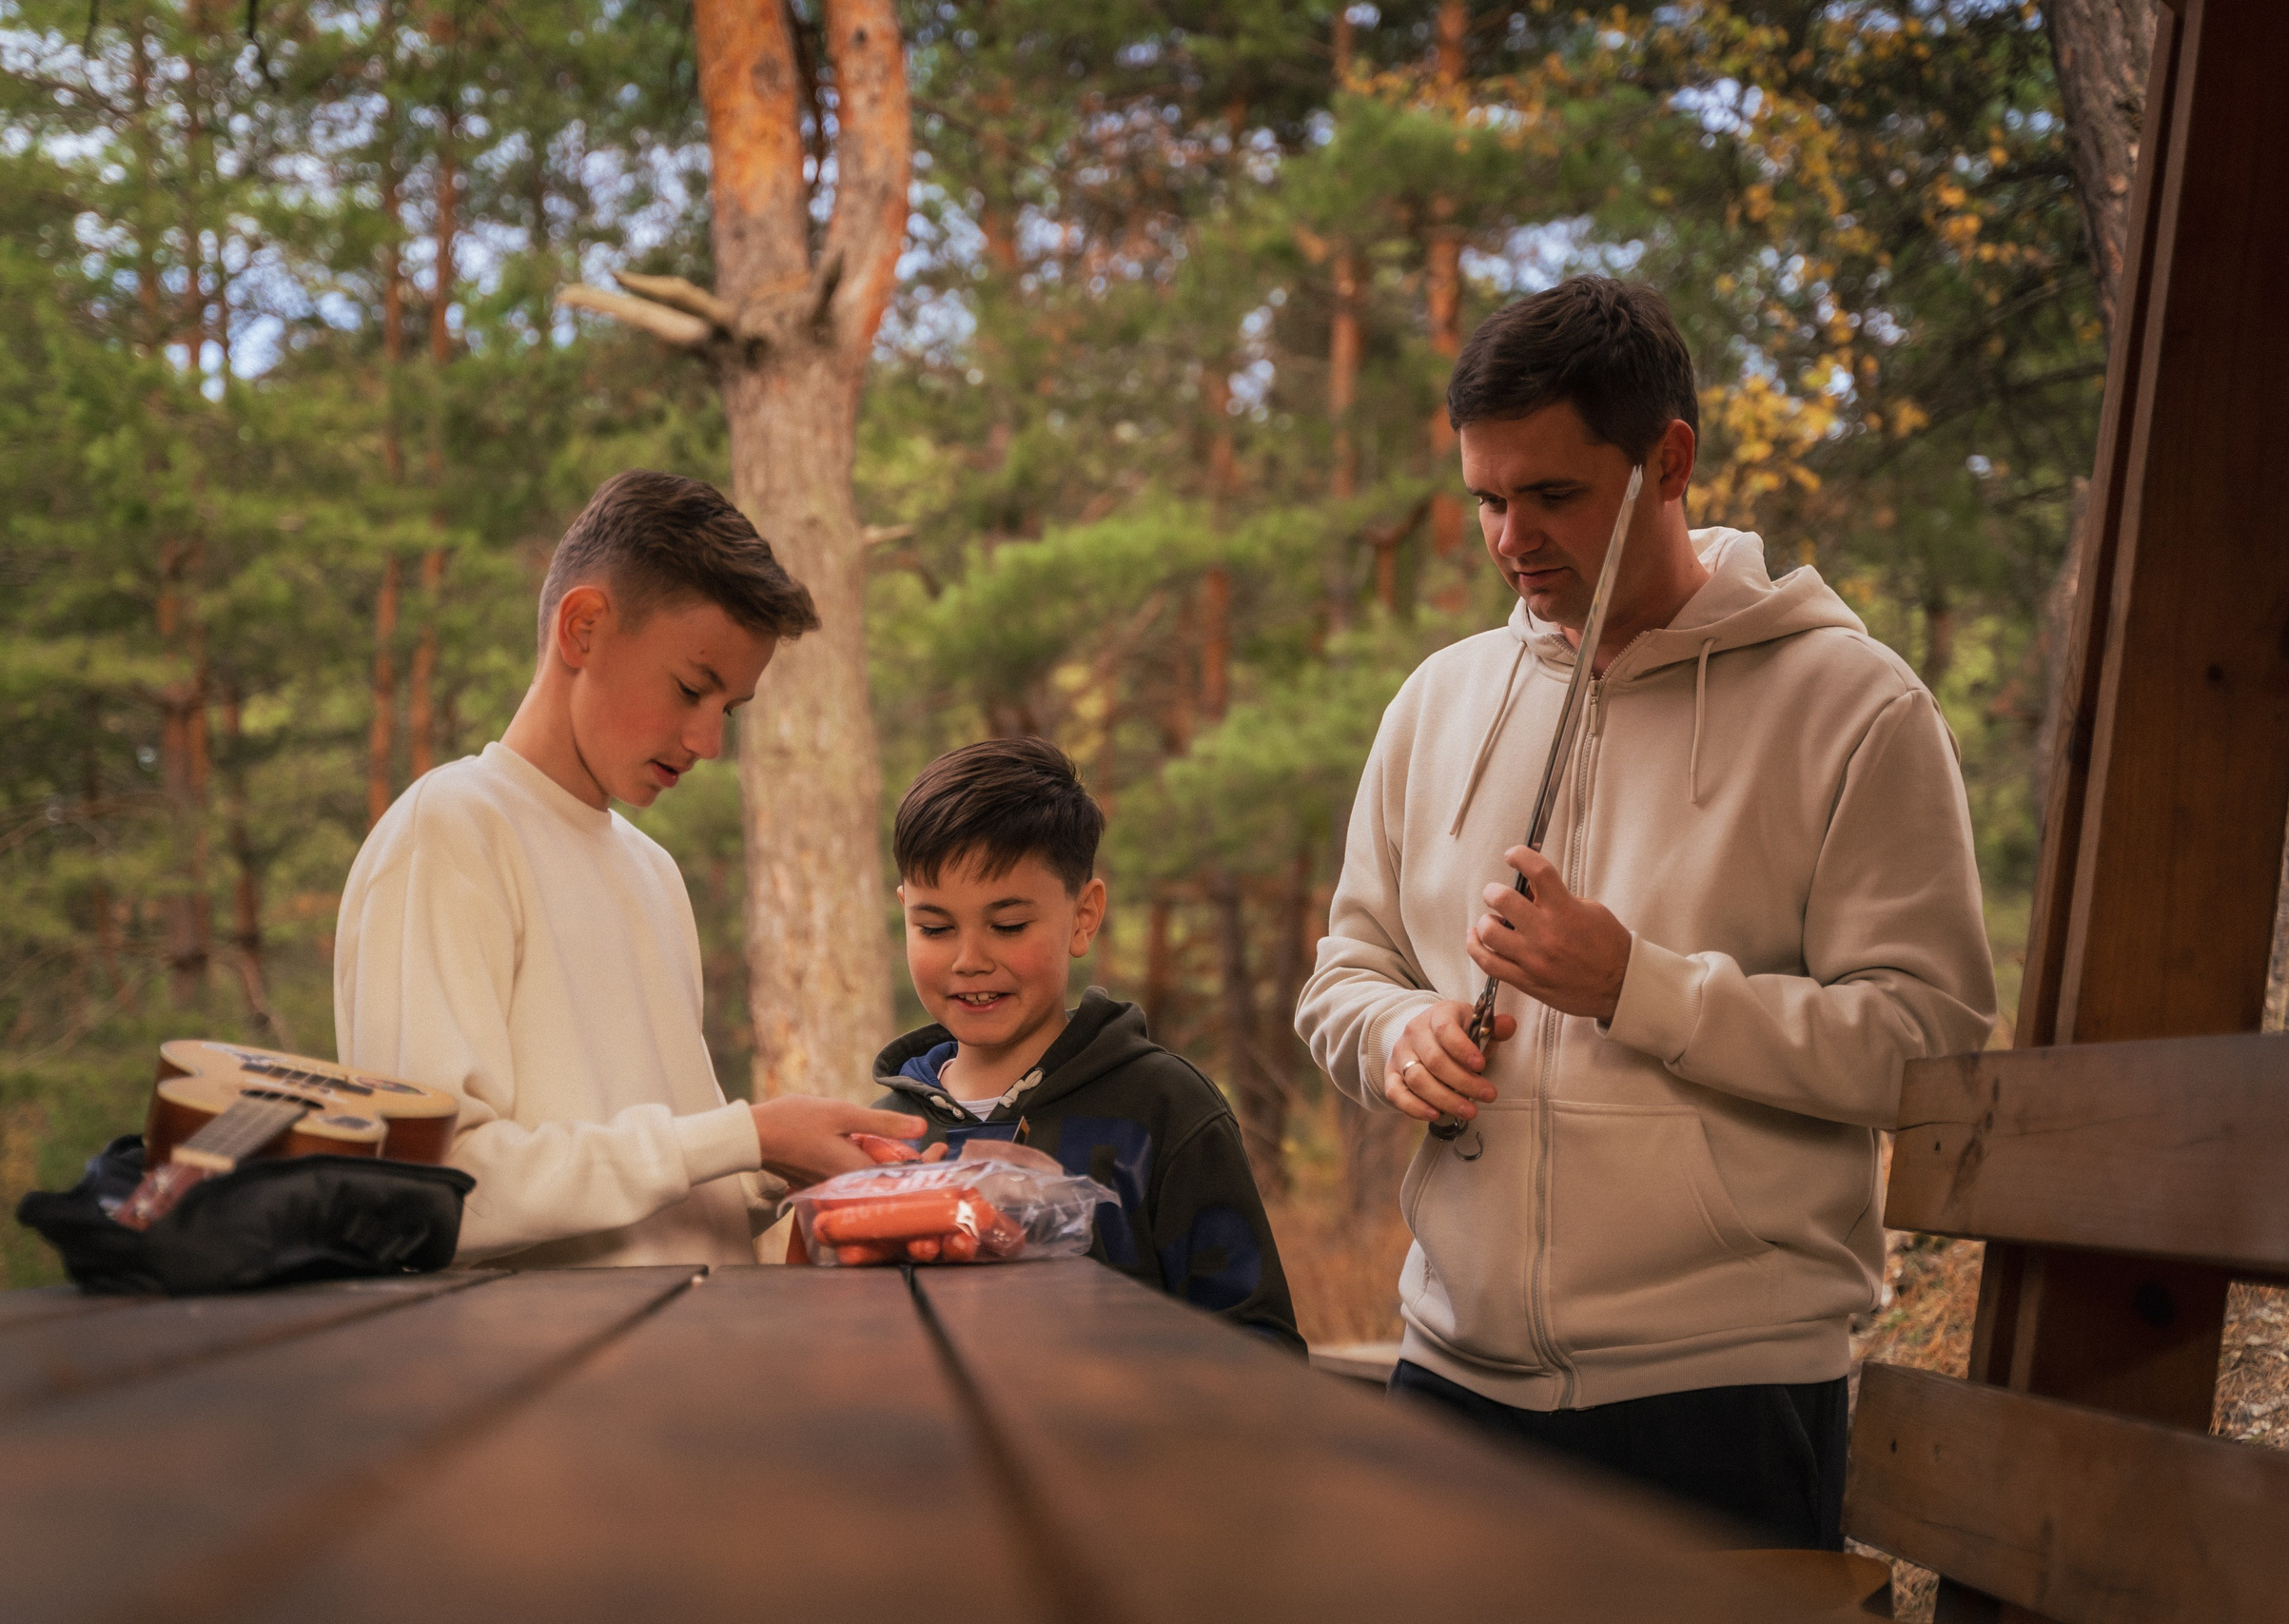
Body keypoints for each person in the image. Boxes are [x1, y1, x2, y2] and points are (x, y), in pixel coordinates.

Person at [1294, 276, 1995, 1548]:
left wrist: (1638, 988)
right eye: (1487, 499)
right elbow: (1347, 970)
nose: (1510, 538)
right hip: (1447, 1374)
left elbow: (1926, 1047)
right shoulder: (1438, 701)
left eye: (1552, 494)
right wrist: (1397, 1034)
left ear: (1668, 461)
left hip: (1724, 1395)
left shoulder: (1858, 708)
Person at [334, 470, 923, 1268]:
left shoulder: (654, 873)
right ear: (582, 628)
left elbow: (654, 1182)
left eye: (728, 709)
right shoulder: (448, 832)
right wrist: (744, 1135)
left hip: (713, 1338)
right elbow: (436, 1191)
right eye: (690, 688)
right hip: (553, 1353)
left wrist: (772, 1167)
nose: (709, 742)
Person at [870, 737, 1303, 1350]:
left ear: (1083, 917)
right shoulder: (886, 1136)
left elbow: (1261, 1348)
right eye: (934, 927)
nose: (969, 960)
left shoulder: (1166, 1109)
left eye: (1008, 925)